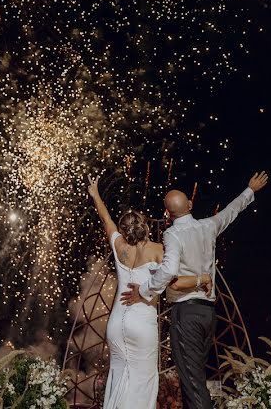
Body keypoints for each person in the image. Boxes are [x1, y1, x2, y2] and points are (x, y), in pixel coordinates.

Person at [121, 171, 270, 409]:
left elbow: (169, 271)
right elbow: (232, 211)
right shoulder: (208, 226)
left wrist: (145, 290)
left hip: (186, 314)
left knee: (193, 382)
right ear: (190, 204)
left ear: (168, 215)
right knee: (195, 378)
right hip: (208, 314)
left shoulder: (172, 234)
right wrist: (250, 189)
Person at [86, 175, 211, 409]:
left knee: (119, 377)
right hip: (142, 325)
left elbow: (106, 219)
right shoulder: (158, 250)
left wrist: (95, 194)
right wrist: (201, 279)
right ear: (144, 226)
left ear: (125, 230)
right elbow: (174, 281)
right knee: (142, 382)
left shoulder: (119, 246)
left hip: (116, 324)